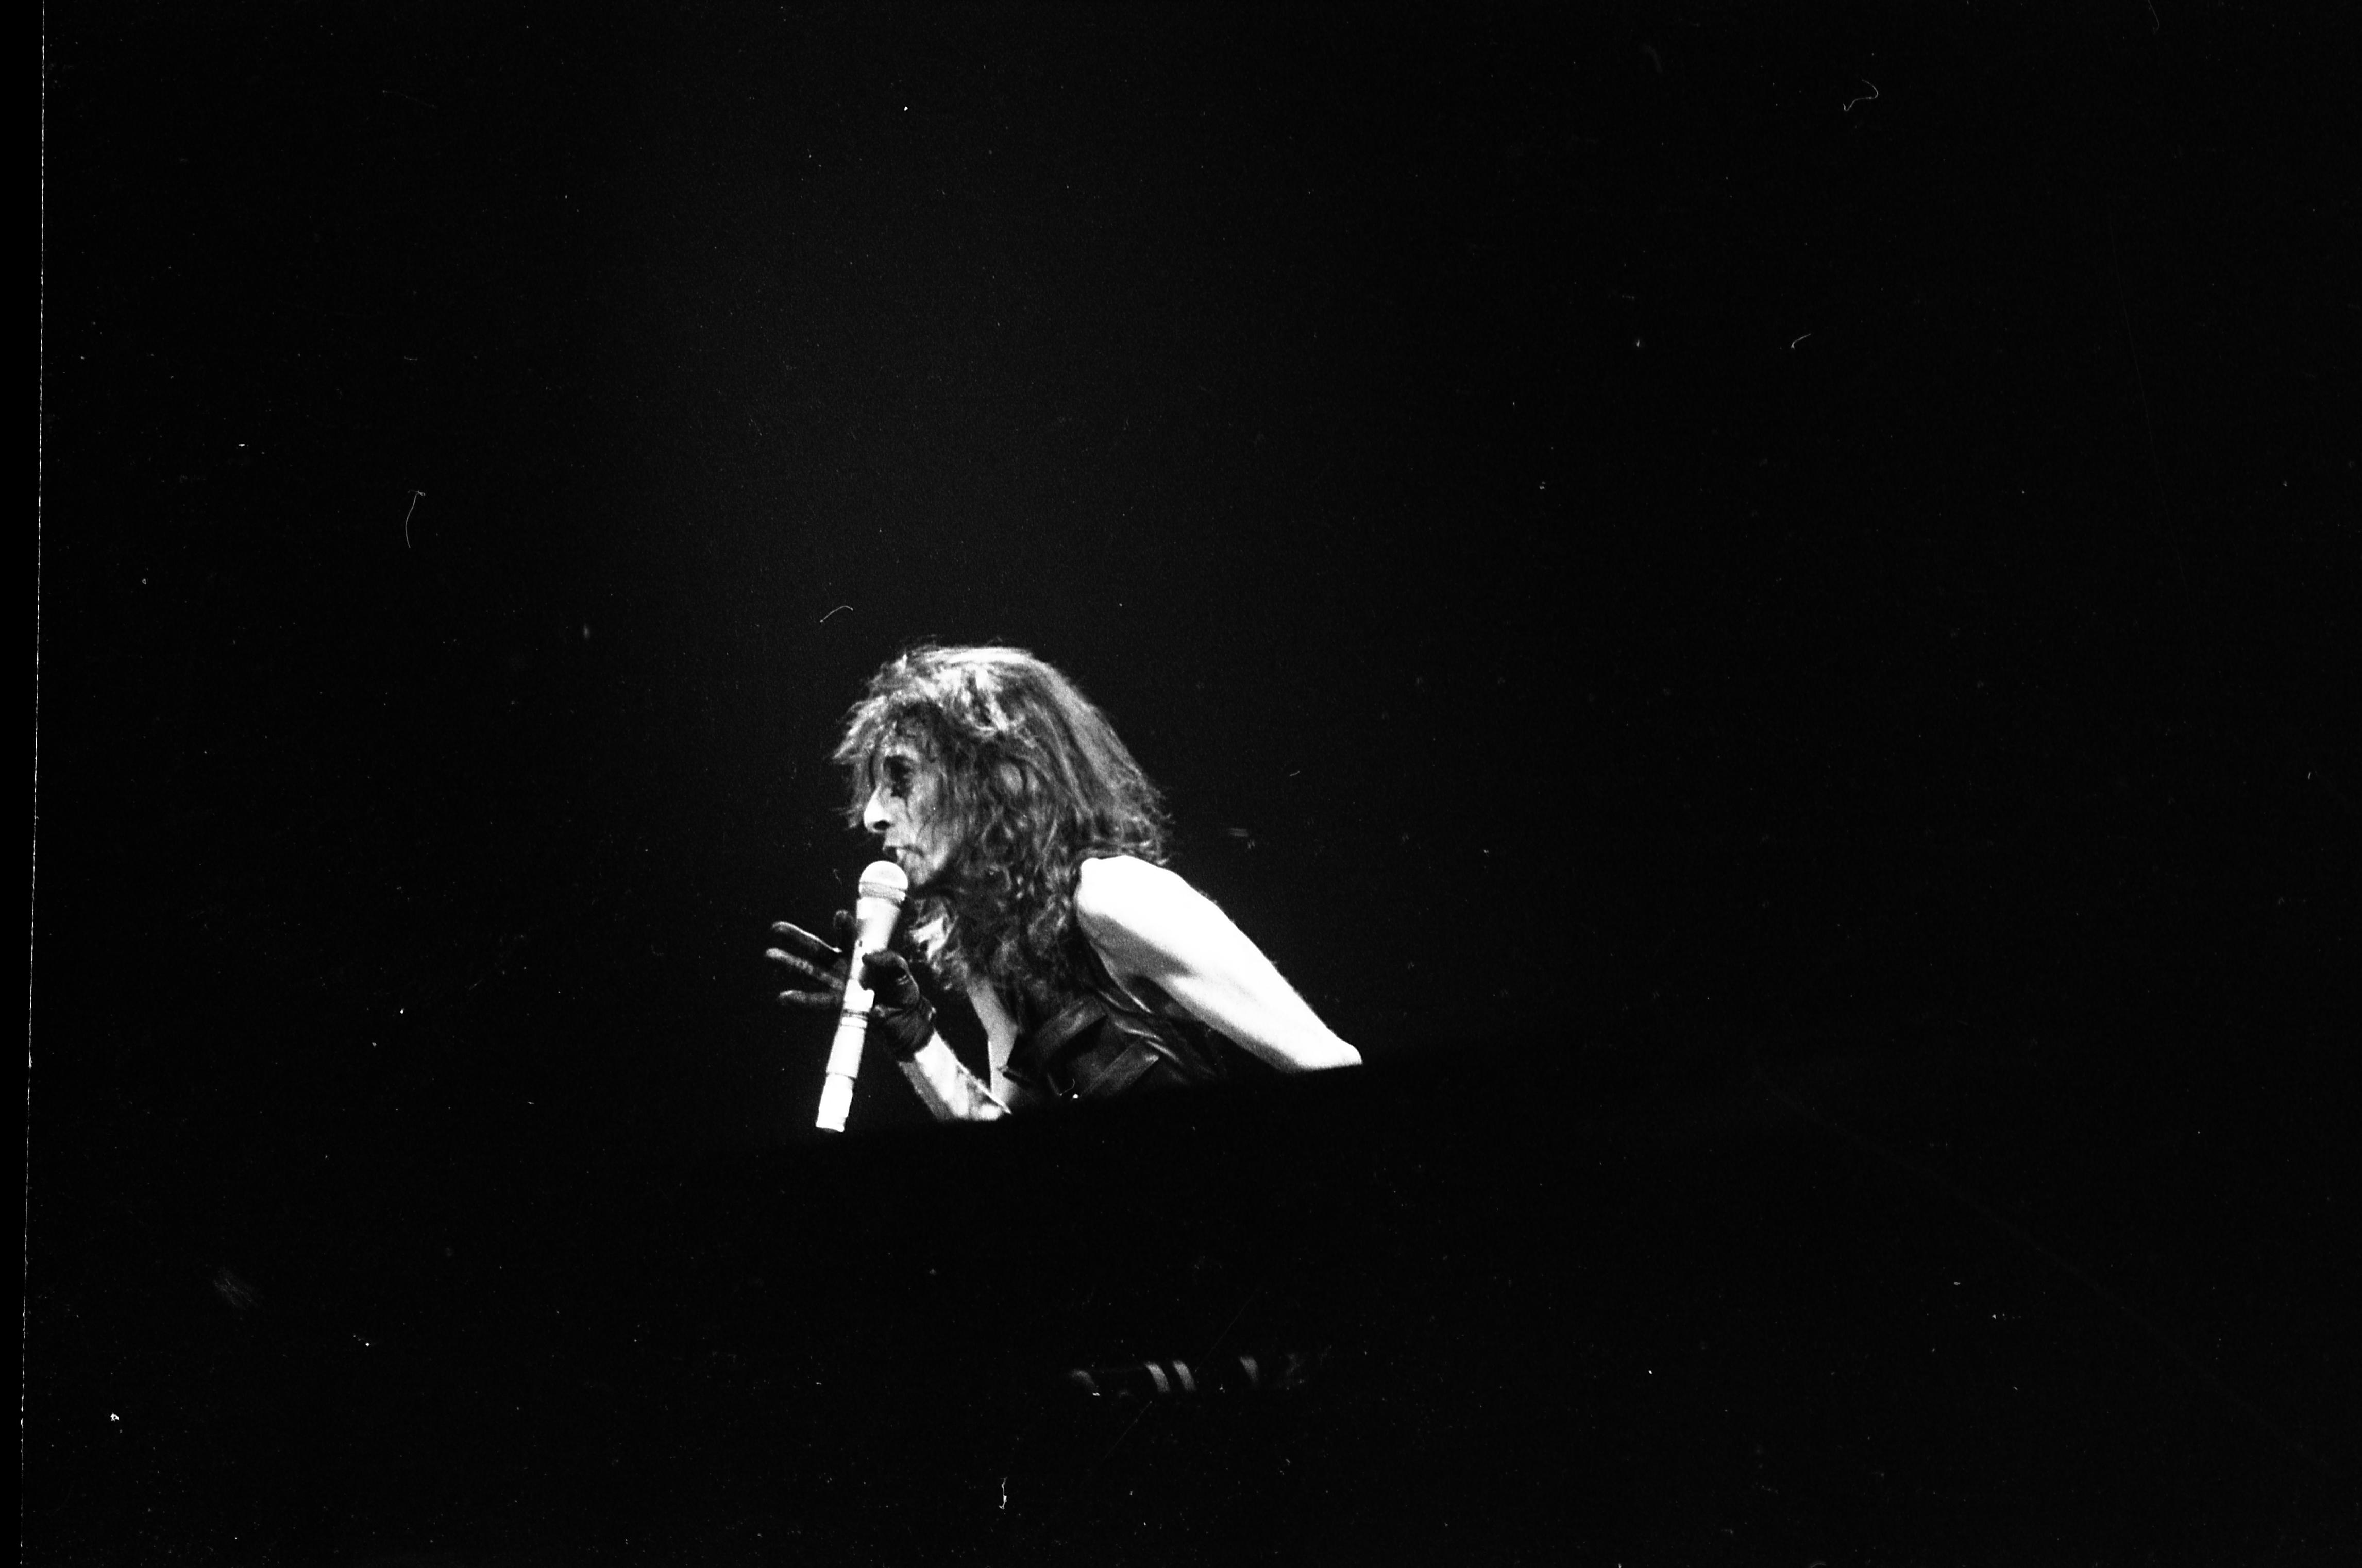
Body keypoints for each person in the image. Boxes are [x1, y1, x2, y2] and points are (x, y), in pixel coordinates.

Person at [768, 645, 1360, 1120]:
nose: (872, 814)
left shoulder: (1114, 898)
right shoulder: (988, 955)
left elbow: (1328, 1061)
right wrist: (914, 1037)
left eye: (901, 778)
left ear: (992, 775)